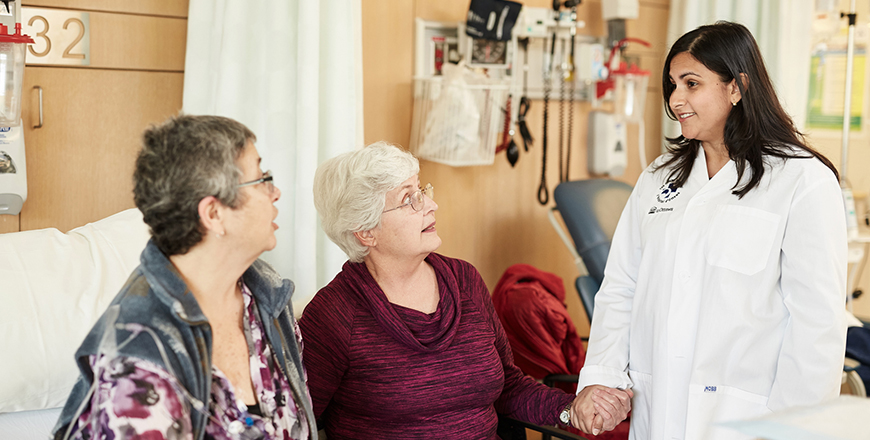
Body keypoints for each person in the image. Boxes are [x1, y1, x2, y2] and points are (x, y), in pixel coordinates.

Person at [572, 21, 848, 439]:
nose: (676, 99)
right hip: (659, 409)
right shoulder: (659, 178)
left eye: (691, 83)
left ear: (736, 87)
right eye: (673, 84)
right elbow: (621, 286)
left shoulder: (801, 180)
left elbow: (816, 323)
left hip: (750, 418)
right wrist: (601, 377)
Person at [300, 142, 631, 439]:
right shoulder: (334, 316)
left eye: (422, 190)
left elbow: (508, 387)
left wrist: (571, 410)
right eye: (408, 199)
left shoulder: (464, 281)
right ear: (365, 233)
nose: (430, 205)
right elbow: (299, 423)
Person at [52, 115, 318, 440]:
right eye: (262, 179)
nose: (275, 192)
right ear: (214, 213)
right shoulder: (135, 363)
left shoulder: (269, 300)